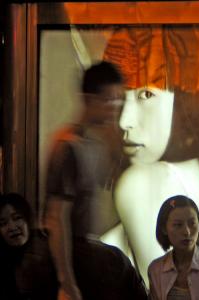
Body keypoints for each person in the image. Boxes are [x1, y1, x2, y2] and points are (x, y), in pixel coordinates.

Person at [102, 26, 199, 281]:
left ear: (186, 94)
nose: (124, 121)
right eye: (118, 98)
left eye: (146, 94)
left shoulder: (142, 183)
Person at [44, 61, 147, 300]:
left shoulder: (95, 143)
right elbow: (57, 219)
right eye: (110, 99)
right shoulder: (68, 147)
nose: (116, 107)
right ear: (91, 100)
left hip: (91, 255)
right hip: (76, 259)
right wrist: (66, 281)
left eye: (119, 99)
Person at [148, 195, 199, 300]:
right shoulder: (156, 269)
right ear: (164, 228)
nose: (187, 232)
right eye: (178, 225)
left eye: (192, 223)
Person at [0, 193, 57, 300]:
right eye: (3, 224)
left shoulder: (48, 253)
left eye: (17, 218)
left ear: (28, 219)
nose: (12, 227)